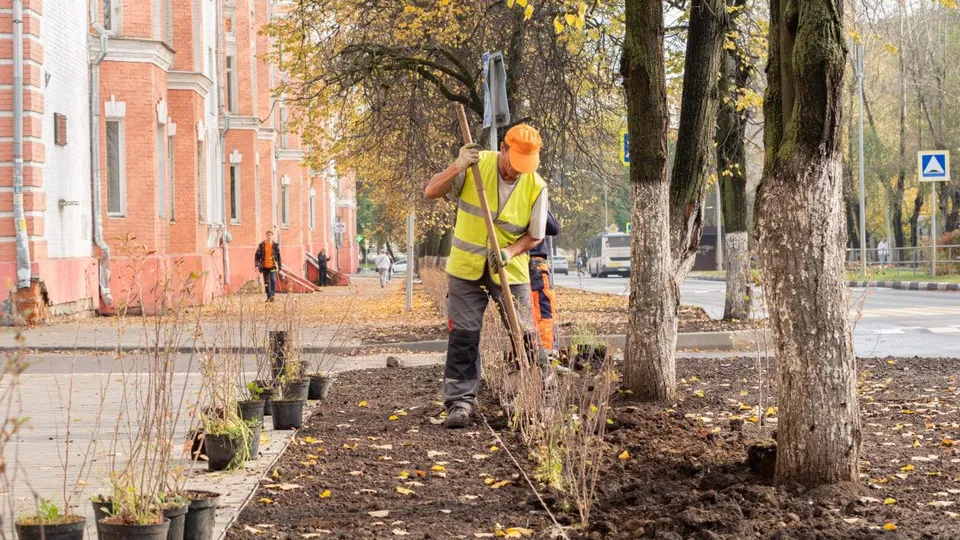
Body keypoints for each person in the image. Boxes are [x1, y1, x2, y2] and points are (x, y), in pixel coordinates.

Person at [424, 123, 549, 429]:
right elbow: (430, 191)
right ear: (503, 149)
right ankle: (460, 403)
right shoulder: (475, 166)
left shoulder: (537, 186)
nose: (517, 172)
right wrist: (457, 166)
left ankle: (539, 396)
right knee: (463, 337)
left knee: (525, 336)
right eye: (514, 163)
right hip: (466, 268)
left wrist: (510, 251)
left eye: (525, 166)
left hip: (510, 269)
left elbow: (535, 236)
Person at [529, 211, 560, 354]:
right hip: (534, 261)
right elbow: (553, 227)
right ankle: (546, 356)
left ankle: (526, 356)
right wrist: (542, 201)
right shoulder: (532, 195)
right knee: (543, 309)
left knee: (523, 312)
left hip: (515, 261)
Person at [255, 230, 282, 302]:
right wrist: (256, 266)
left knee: (273, 280)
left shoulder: (275, 245)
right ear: (266, 235)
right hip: (264, 267)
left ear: (272, 236)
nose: (269, 236)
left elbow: (279, 256)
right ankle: (268, 296)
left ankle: (272, 295)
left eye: (270, 235)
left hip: (273, 266)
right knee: (267, 282)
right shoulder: (262, 245)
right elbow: (257, 255)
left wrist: (280, 266)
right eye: (268, 235)